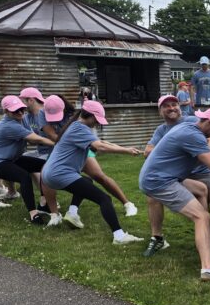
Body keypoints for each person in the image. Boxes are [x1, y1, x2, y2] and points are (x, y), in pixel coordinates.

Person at [140, 107, 210, 280]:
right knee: (201, 217)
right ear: (209, 122)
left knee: (201, 189)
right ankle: (207, 268)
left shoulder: (191, 124)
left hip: (164, 176)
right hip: (159, 181)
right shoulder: (192, 135)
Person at [40, 100, 144, 243]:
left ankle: (72, 213)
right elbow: (99, 146)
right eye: (96, 120)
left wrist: (127, 148)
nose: (97, 123)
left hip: (50, 175)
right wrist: (125, 151)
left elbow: (101, 142)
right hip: (60, 174)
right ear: (89, 116)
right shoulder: (80, 128)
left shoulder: (75, 125)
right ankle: (119, 236)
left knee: (87, 181)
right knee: (104, 199)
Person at [0, 96, 55, 222]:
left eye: (22, 109)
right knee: (24, 177)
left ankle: (44, 203)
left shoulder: (22, 119)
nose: (20, 112)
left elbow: (33, 136)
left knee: (45, 166)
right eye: (15, 110)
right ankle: (33, 214)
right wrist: (59, 144)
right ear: (6, 112)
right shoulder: (8, 126)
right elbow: (36, 139)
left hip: (11, 158)